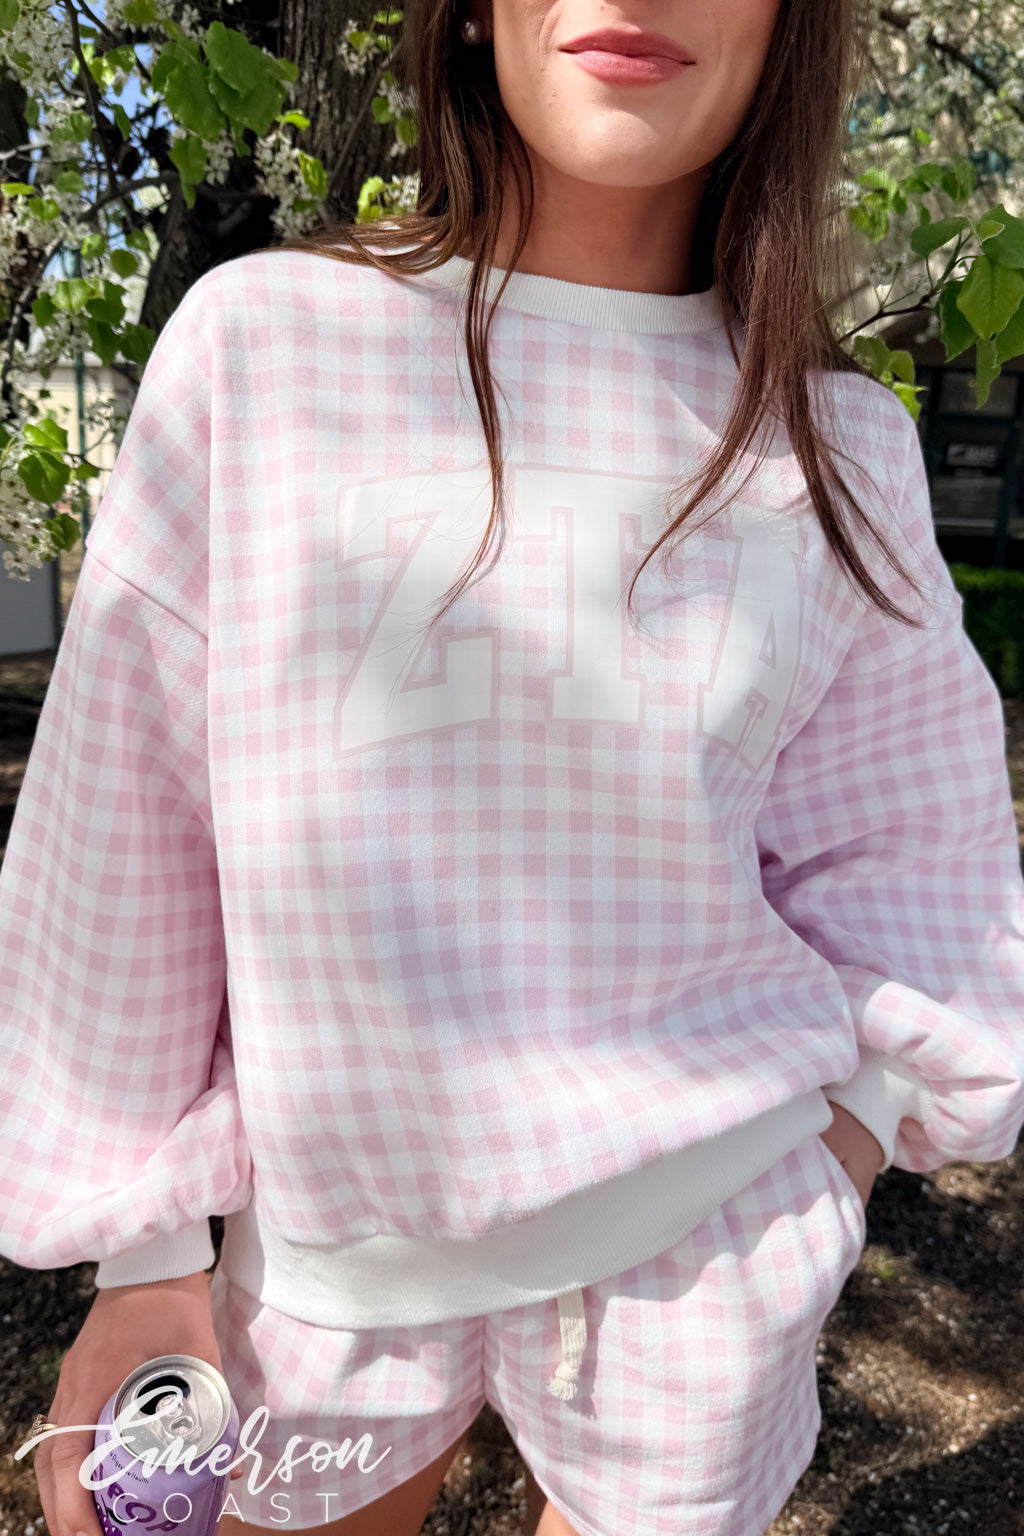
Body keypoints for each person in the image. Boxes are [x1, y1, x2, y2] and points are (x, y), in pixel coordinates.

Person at [3, 0, 1024, 1532]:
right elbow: (121, 825)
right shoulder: (264, 350)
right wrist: (142, 1256)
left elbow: (908, 841)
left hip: (712, 1254)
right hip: (325, 1280)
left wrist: (851, 1140)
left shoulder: (839, 444)